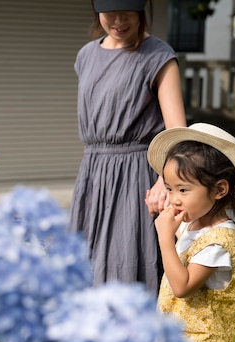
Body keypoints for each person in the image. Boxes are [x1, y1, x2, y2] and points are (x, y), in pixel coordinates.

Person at [68, 0, 186, 295]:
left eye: (127, 14)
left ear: (141, 11)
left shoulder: (159, 56)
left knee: (129, 266)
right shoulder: (85, 56)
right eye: (110, 14)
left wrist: (165, 181)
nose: (118, 22)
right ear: (97, 11)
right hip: (94, 174)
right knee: (86, 266)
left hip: (137, 176)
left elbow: (177, 131)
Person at [147, 122, 235, 342]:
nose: (174, 199)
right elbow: (188, 242)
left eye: (183, 190)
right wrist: (173, 228)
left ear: (220, 189)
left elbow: (182, 285)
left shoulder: (218, 243)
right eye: (171, 189)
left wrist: (164, 237)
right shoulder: (198, 225)